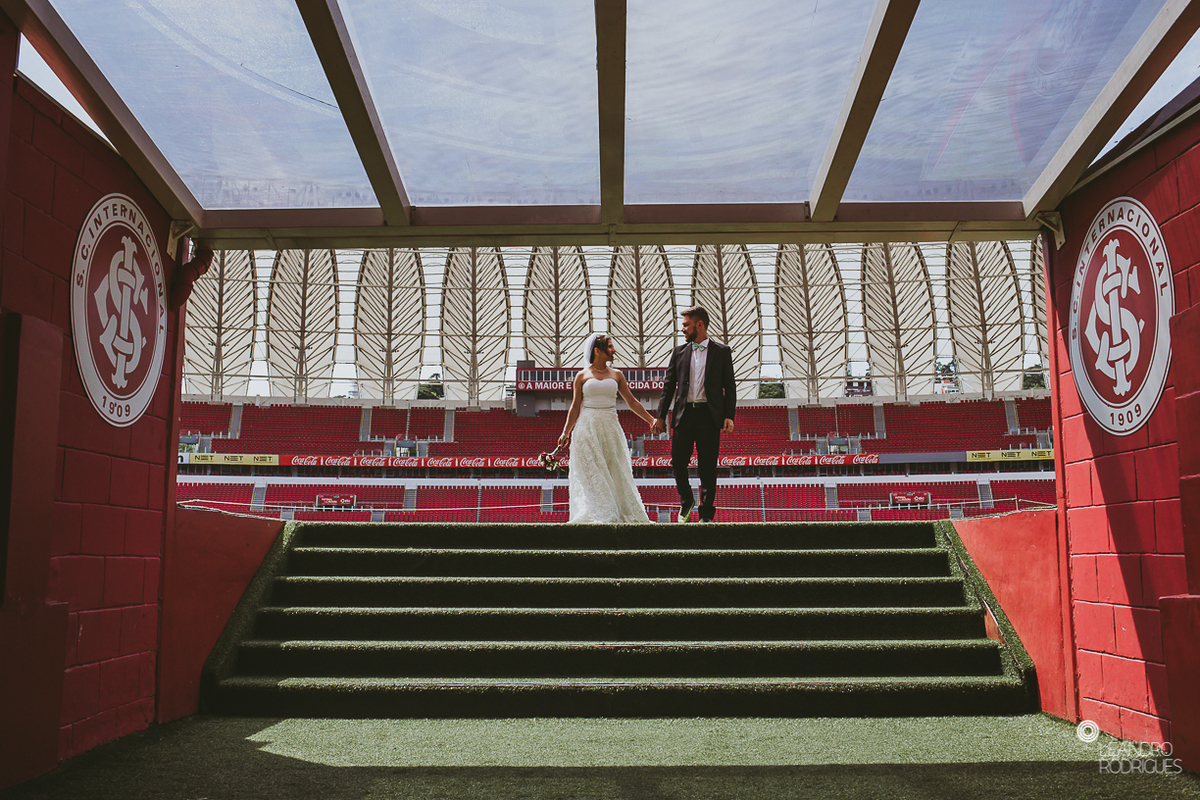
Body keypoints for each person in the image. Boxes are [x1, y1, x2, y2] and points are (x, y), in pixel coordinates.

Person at [558, 334, 657, 524]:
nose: (613, 350)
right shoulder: (582, 375)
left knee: (615, 469)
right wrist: (566, 432)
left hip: (610, 427)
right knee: (592, 472)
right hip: (587, 427)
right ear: (597, 350)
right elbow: (575, 406)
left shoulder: (617, 374)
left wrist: (651, 420)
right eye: (610, 347)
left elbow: (632, 402)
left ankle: (618, 512)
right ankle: (596, 512)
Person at [651, 306, 736, 522]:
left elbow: (730, 386)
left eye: (686, 325)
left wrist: (729, 415)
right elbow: (668, 386)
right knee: (678, 462)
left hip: (709, 415)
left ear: (700, 325)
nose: (683, 329)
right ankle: (687, 501)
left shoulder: (722, 351)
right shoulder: (678, 352)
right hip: (684, 415)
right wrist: (660, 416)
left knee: (707, 466)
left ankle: (706, 515)